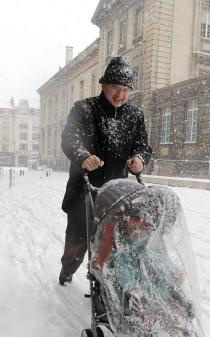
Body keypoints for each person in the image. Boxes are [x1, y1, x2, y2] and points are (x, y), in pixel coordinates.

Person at [59, 56, 152, 285]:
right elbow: (70, 138)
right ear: (103, 85)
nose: (120, 95)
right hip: (84, 189)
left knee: (111, 244)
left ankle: (104, 287)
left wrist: (139, 159)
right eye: (114, 88)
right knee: (77, 242)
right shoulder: (84, 109)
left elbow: (143, 146)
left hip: (116, 194)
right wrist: (84, 156)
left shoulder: (134, 116)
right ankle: (67, 271)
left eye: (125, 90)